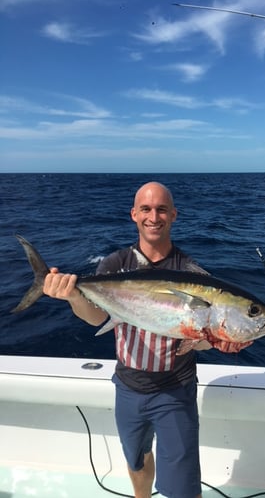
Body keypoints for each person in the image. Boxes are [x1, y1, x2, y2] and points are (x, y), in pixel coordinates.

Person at [43, 182, 251, 498]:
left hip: (175, 391)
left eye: (162, 209)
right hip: (127, 386)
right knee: (137, 462)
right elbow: (98, 317)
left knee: (183, 489)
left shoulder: (194, 274)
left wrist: (220, 340)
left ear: (174, 215)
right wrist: (72, 295)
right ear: (134, 215)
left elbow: (199, 337)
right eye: (146, 209)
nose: (154, 217)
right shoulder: (114, 265)